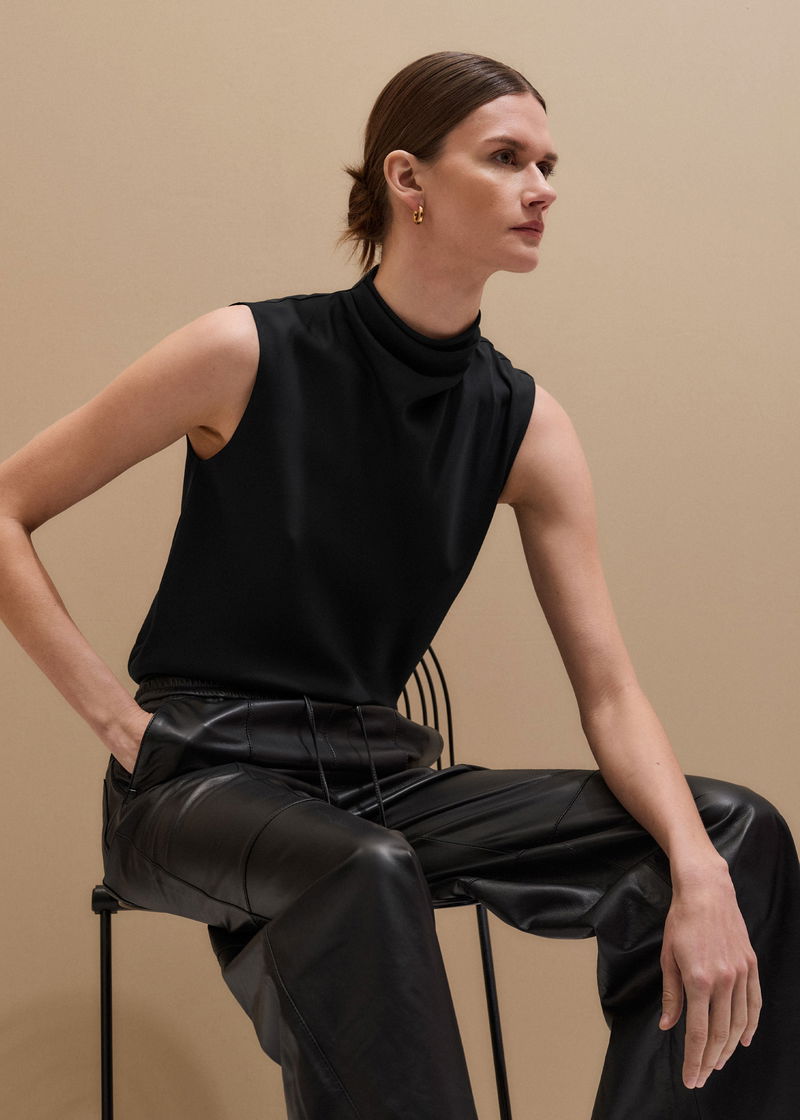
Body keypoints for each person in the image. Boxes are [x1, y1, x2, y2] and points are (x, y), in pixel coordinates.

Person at [0, 49, 797, 1120]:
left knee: (735, 832)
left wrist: (696, 868)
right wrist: (120, 722)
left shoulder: (526, 426)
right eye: (505, 158)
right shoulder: (245, 351)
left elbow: (609, 693)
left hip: (378, 780)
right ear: (407, 179)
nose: (540, 187)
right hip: (197, 782)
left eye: (548, 164)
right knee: (363, 868)